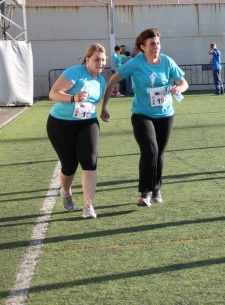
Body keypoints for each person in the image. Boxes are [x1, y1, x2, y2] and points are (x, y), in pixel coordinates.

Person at [101, 28, 188, 207]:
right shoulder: (135, 63)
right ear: (143, 46)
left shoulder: (167, 61)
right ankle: (145, 192)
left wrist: (179, 88)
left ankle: (157, 188)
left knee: (159, 154)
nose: (156, 47)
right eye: (152, 44)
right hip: (142, 114)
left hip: (165, 114)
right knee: (150, 150)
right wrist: (104, 106)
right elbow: (112, 81)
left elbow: (183, 82)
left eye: (157, 43)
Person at [46, 44, 107, 219]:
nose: (100, 63)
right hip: (61, 124)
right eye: (96, 59)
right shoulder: (75, 72)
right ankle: (65, 190)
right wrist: (73, 98)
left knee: (89, 161)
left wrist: (104, 110)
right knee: (69, 165)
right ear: (87, 59)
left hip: (87, 123)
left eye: (103, 60)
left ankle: (88, 206)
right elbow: (53, 93)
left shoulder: (100, 80)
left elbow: (94, 101)